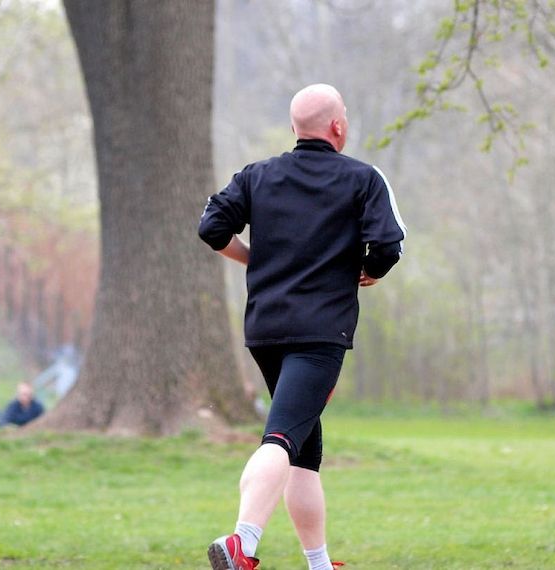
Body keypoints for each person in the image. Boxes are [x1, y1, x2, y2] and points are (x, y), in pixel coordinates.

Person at [198, 83, 406, 570]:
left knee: (303, 452)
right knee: (282, 439)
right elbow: (389, 246)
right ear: (339, 126)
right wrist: (370, 272)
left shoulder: (256, 176)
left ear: (295, 128)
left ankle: (319, 563)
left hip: (265, 330)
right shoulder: (363, 179)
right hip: (319, 336)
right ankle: (242, 543)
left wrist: (252, 259)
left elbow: (211, 227)